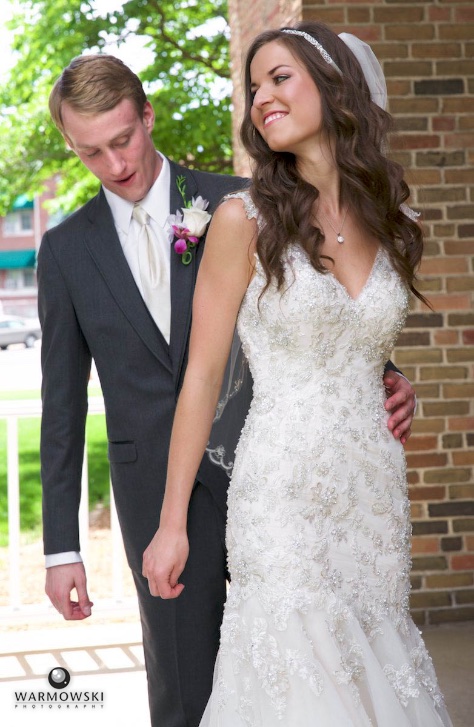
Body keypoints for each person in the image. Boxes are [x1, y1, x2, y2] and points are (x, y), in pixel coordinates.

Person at [38, 53, 416, 727]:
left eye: (123, 140)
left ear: (148, 116)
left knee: (321, 662)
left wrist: (383, 378)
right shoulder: (66, 249)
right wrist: (62, 548)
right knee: (184, 687)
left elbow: (325, 306)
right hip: (158, 483)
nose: (116, 165)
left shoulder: (245, 200)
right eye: (91, 153)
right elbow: (62, 407)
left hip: (282, 477)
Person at [143, 22, 452, 726]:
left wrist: (396, 380)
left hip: (372, 493)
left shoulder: (397, 219)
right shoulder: (241, 219)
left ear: (335, 84)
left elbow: (359, 343)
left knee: (375, 668)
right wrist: (172, 523)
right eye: (254, 87)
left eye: (279, 78)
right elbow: (202, 374)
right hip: (281, 493)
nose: (261, 98)